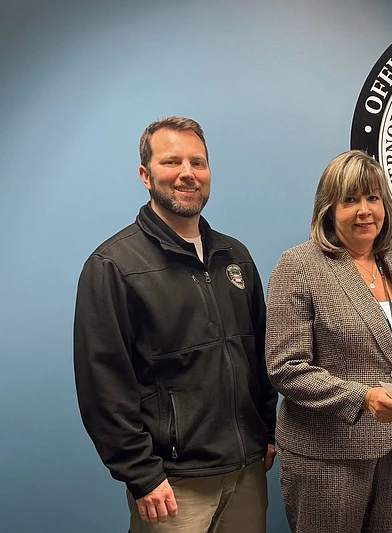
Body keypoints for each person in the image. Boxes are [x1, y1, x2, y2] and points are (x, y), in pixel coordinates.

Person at [74, 116, 277, 533]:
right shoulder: (113, 266)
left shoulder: (234, 256)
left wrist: (267, 430)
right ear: (146, 175)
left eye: (198, 163)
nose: (187, 173)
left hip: (246, 472)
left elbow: (260, 355)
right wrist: (142, 474)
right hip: (171, 486)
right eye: (172, 162)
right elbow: (103, 385)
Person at [265, 149, 392, 533]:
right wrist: (362, 397)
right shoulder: (299, 266)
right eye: (351, 200)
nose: (365, 210)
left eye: (373, 198)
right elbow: (285, 368)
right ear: (329, 209)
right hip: (327, 454)